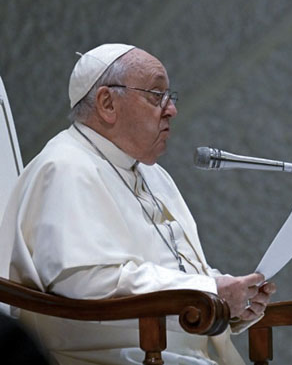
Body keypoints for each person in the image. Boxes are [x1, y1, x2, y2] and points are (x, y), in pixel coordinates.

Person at [0, 43, 276, 365]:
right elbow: (85, 280)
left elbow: (177, 268)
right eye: (156, 95)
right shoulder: (64, 167)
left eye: (170, 97)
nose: (171, 109)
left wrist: (234, 301)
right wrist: (209, 290)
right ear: (107, 103)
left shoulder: (153, 175)